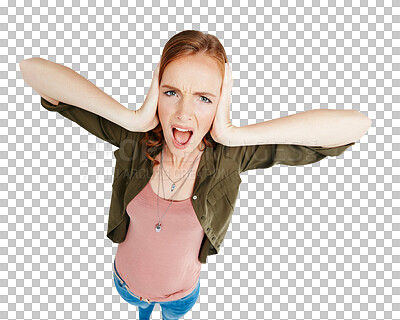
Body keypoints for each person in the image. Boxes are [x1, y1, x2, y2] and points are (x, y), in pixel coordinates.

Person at [19, 30, 371, 320]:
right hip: (125, 283)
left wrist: (234, 134)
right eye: (171, 92)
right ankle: (144, 309)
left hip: (182, 294)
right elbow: (31, 70)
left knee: (170, 314)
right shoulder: (135, 140)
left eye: (204, 98)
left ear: (221, 103)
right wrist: (134, 119)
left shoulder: (231, 157)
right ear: (156, 92)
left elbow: (356, 127)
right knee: (142, 311)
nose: (184, 113)